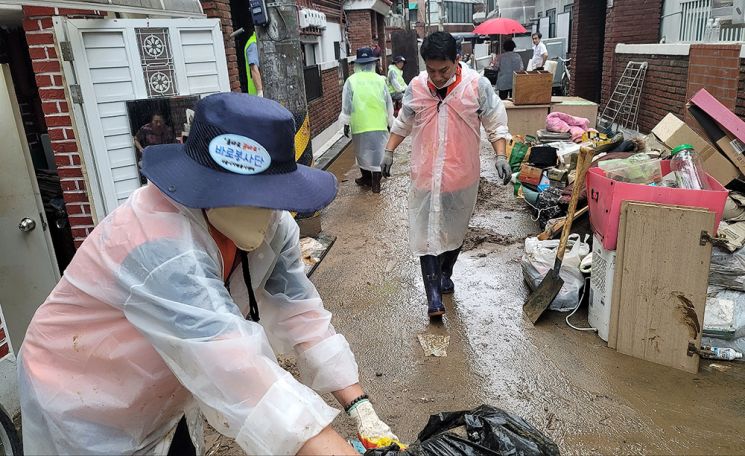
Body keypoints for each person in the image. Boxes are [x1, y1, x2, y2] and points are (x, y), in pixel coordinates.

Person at [17, 93, 400, 455]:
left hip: (163, 383)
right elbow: (236, 368)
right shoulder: (155, 244)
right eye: (249, 195)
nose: (266, 209)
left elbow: (300, 311)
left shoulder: (274, 222)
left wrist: (361, 409)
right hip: (84, 397)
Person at [380, 32, 511, 318]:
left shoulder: (477, 86)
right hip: (425, 176)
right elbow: (404, 122)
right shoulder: (416, 87)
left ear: (457, 60)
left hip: (461, 176)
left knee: (455, 231)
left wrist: (501, 155)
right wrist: (389, 151)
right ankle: (434, 299)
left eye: (444, 70)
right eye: (431, 70)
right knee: (425, 234)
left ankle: (445, 272)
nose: (437, 77)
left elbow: (496, 124)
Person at [340, 47, 393, 194]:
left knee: (362, 153)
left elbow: (346, 104)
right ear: (373, 63)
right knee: (378, 153)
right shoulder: (380, 80)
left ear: (357, 64)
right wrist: (389, 121)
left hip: (360, 124)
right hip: (379, 123)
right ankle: (375, 184)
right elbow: (388, 102)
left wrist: (345, 123)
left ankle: (366, 178)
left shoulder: (351, 81)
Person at [134, 113, 175, 184]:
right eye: (156, 122)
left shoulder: (167, 130)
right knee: (152, 180)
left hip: (164, 160)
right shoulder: (145, 129)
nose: (158, 124)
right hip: (149, 158)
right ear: (151, 122)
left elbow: (173, 144)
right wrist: (141, 149)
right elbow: (136, 139)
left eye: (160, 121)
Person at [244, 31, 263, 96]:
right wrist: (260, 91)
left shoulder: (257, 42)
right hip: (257, 94)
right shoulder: (253, 44)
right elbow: (254, 68)